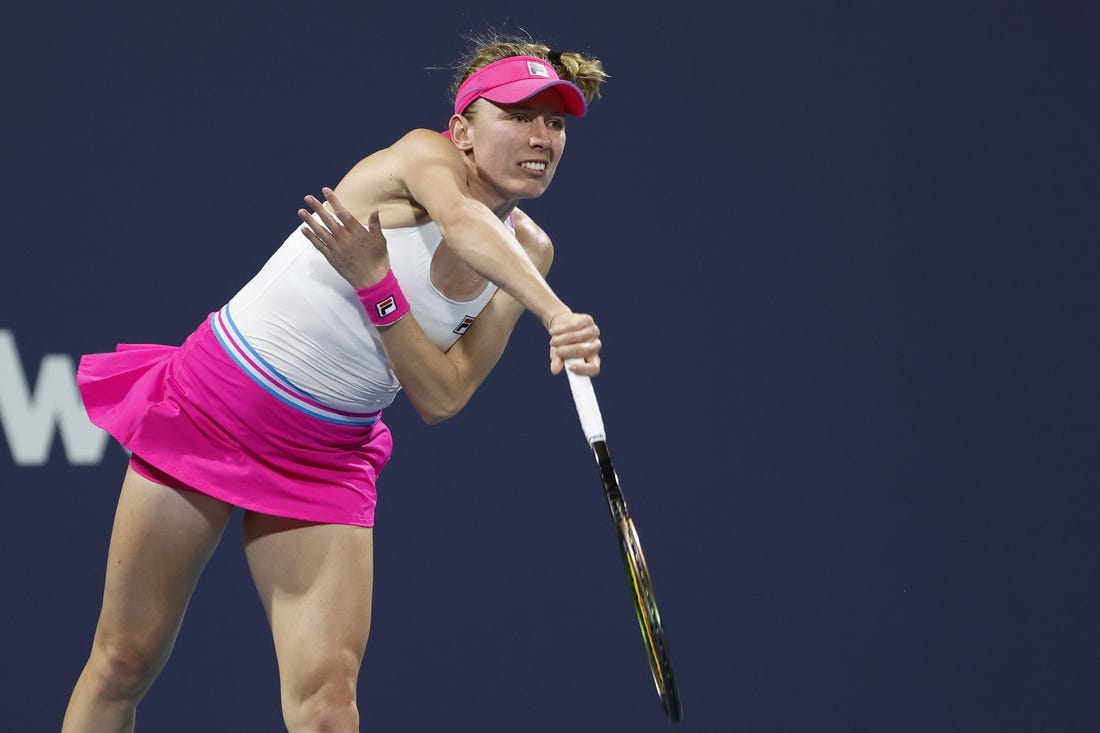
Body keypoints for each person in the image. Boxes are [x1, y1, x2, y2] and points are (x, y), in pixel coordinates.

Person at [61, 33, 608, 733]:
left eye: (555, 123)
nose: (541, 137)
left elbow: (441, 396)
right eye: (518, 115)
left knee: (327, 705)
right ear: (463, 130)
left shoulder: (532, 253)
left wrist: (378, 284)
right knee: (122, 662)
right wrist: (557, 314)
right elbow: (465, 221)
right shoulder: (421, 156)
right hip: (211, 404)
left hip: (324, 458)